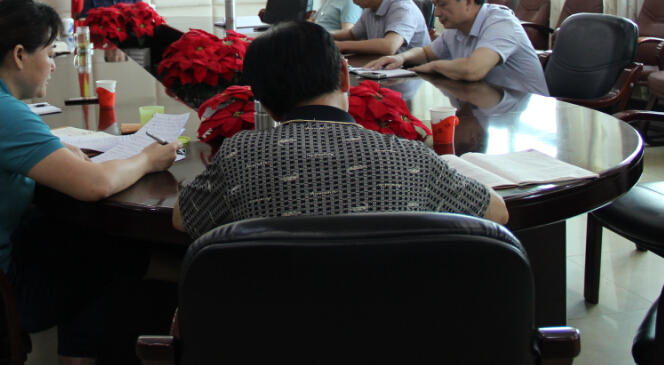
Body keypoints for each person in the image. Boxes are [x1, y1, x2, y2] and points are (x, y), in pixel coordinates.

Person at [0, 0, 181, 363]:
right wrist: (147, 159)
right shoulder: (0, 111)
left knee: (82, 236)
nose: (54, 64)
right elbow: (95, 185)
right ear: (19, 56)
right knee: (102, 265)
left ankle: (176, 277)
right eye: (50, 52)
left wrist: (58, 151)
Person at [173, 20, 508, 240]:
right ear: (345, 78)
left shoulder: (241, 156)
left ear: (262, 101)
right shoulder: (409, 158)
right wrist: (443, 165)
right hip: (396, 326)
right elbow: (497, 211)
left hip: (277, 326)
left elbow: (183, 218)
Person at [366, 0, 550, 96]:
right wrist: (401, 58)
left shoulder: (501, 24)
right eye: (435, 5)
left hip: (527, 112)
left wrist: (433, 67)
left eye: (442, 4)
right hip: (489, 104)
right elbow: (426, 53)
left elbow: (472, 70)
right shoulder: (457, 27)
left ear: (468, 1)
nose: (437, 13)